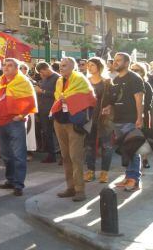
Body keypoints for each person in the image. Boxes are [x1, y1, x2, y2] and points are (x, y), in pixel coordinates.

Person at [0, 58, 37, 196]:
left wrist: (22, 116)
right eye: (4, 65)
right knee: (5, 154)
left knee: (18, 154)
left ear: (16, 68)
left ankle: (18, 185)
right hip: (0, 122)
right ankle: (10, 180)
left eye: (10, 65)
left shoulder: (23, 81)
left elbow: (30, 100)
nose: (6, 68)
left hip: (15, 122)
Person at [51, 57, 95, 202]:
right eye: (60, 66)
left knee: (75, 157)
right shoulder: (59, 81)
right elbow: (58, 97)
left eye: (64, 66)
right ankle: (70, 187)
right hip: (60, 121)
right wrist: (63, 99)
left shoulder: (80, 79)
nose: (61, 68)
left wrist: (68, 99)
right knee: (65, 156)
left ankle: (80, 190)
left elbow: (89, 99)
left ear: (73, 67)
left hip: (74, 123)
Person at [107, 53, 145, 192]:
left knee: (132, 149)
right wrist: (108, 107)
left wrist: (139, 118)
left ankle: (134, 180)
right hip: (118, 120)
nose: (115, 63)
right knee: (125, 150)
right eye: (114, 60)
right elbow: (114, 99)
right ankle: (129, 176)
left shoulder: (134, 78)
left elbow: (139, 99)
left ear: (127, 62)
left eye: (119, 60)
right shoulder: (116, 79)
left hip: (130, 120)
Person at [84, 57, 114, 184]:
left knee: (106, 146)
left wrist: (110, 106)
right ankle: (90, 172)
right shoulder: (85, 81)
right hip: (88, 117)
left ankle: (104, 173)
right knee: (89, 146)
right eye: (88, 65)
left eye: (92, 65)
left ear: (99, 67)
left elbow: (114, 99)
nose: (89, 67)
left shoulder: (107, 82)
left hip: (104, 118)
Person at [35, 62, 60, 164]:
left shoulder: (58, 78)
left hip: (53, 110)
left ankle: (63, 156)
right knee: (47, 133)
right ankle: (51, 155)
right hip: (44, 111)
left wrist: (42, 92)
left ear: (47, 68)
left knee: (58, 134)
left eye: (42, 72)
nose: (42, 74)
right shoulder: (45, 79)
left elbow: (58, 95)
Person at [130, 62, 153, 168]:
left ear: (143, 72)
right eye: (132, 70)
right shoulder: (128, 83)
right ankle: (134, 162)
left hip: (143, 114)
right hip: (129, 115)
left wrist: (141, 115)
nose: (134, 72)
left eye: (136, 70)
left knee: (143, 138)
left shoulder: (146, 84)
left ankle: (144, 159)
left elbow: (147, 103)